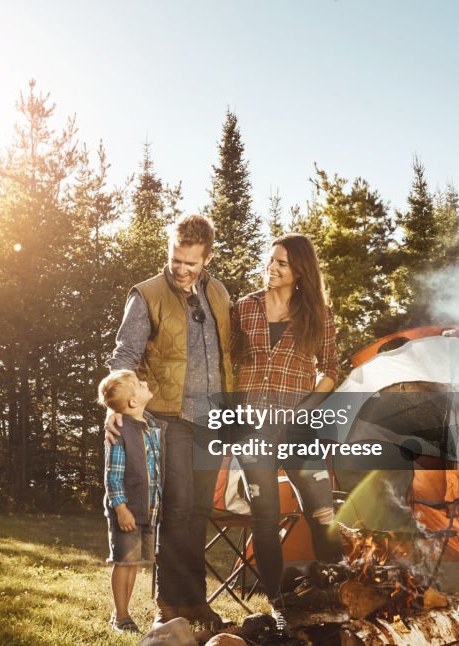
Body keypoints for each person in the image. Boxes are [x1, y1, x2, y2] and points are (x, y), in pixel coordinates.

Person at [106, 214, 233, 629]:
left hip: (213, 418)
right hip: (169, 416)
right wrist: (115, 409)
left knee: (198, 510)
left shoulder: (218, 293)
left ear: (207, 258)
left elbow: (226, 354)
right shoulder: (146, 294)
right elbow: (125, 355)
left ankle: (193, 600)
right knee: (177, 509)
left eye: (190, 263)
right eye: (175, 259)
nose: (180, 269)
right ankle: (169, 604)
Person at [230, 233, 343, 611]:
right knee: (265, 517)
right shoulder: (243, 308)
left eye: (282, 264)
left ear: (300, 272)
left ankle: (334, 594)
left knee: (321, 510)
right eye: (271, 260)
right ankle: (279, 603)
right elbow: (225, 360)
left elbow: (331, 369)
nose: (272, 269)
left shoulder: (318, 314)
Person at [98, 369, 164, 634]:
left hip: (147, 509)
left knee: (134, 562)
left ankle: (122, 612)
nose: (144, 382)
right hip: (127, 509)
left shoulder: (149, 426)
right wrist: (121, 508)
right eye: (138, 383)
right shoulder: (120, 432)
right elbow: (112, 474)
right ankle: (121, 616)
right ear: (133, 401)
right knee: (123, 562)